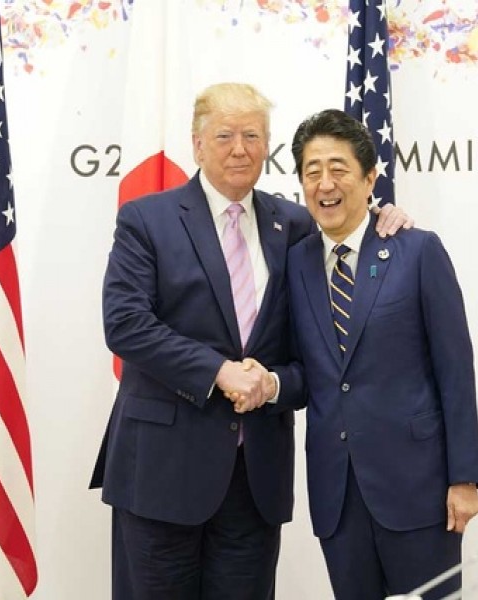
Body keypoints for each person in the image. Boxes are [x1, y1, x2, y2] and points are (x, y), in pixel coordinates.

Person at [89, 83, 412, 600]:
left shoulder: (299, 225)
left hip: (255, 478)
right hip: (159, 471)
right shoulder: (146, 219)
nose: (239, 148)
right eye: (224, 135)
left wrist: (383, 218)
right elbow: (125, 323)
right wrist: (220, 372)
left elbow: (320, 353)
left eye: (252, 136)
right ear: (196, 144)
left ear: (268, 145)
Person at [277, 108, 478, 600]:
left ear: (370, 177)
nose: (325, 183)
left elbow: (455, 368)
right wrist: (267, 383)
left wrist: (465, 477)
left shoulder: (417, 251)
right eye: (312, 171)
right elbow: (305, 369)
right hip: (338, 493)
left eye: (339, 168)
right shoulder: (297, 264)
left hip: (420, 489)